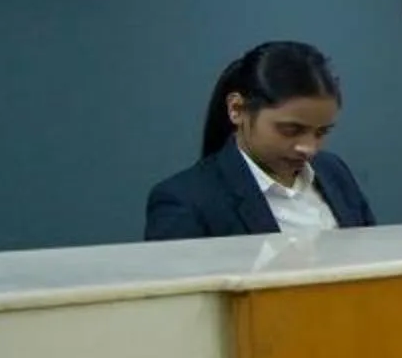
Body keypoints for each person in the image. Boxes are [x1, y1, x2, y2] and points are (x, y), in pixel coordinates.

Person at [145, 41, 376, 241]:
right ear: (237, 109)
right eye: (290, 130)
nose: (309, 148)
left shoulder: (334, 172)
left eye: (321, 132)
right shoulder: (185, 200)